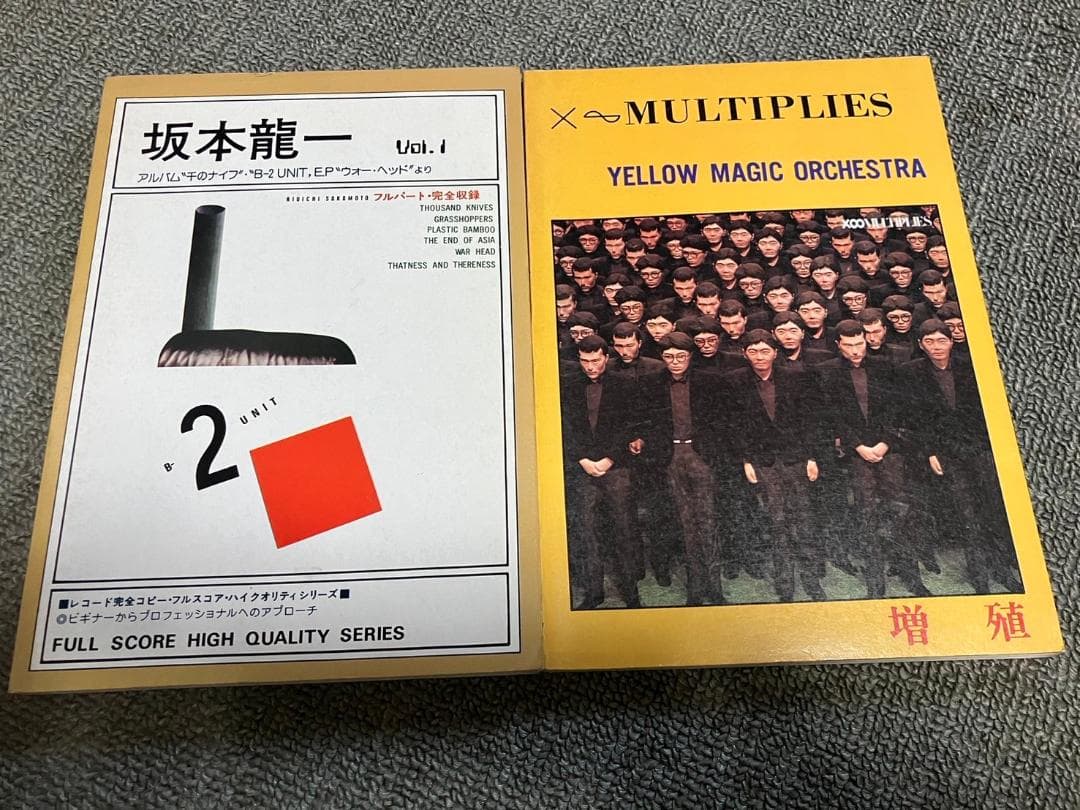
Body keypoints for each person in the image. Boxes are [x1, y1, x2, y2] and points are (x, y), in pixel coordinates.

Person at [898, 320, 1022, 593]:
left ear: (952, 341)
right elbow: (914, 418)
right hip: (946, 452)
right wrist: (930, 452)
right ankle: (980, 578)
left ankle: (1001, 570)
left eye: (941, 340)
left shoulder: (971, 366)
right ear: (920, 345)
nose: (936, 347)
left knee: (993, 510)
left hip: (979, 450)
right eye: (929, 342)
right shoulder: (911, 373)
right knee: (967, 515)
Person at [817, 320, 928, 598]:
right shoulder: (827, 372)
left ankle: (912, 576)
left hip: (888, 450)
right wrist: (858, 446)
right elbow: (832, 416)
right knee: (866, 515)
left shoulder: (886, 367)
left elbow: (898, 409)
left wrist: (885, 443)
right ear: (838, 345)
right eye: (849, 345)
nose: (855, 351)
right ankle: (875, 583)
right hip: (857, 454)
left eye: (860, 344)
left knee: (901, 511)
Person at [724, 330, 821, 601]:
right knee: (777, 522)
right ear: (744, 354)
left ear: (775, 353)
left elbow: (809, 421)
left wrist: (811, 457)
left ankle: (811, 580)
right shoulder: (734, 382)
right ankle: (785, 584)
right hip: (763, 462)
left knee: (803, 521)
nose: (759, 357)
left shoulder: (795, 378)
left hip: (795, 459)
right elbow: (734, 426)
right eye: (753, 351)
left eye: (765, 351)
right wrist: (746, 460)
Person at [560, 335, 645, 608]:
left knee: (624, 529)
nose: (590, 366)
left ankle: (631, 593)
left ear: (606, 358)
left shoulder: (624, 385)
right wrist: (582, 459)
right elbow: (564, 428)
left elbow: (629, 427)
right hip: (583, 469)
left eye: (595, 360)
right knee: (586, 532)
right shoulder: (567, 385)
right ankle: (593, 593)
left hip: (616, 468)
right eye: (584, 361)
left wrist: (609, 459)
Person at [653, 332, 726, 604]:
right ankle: (695, 589)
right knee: (686, 524)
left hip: (700, 456)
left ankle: (715, 589)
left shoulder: (709, 381)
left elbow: (722, 421)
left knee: (708, 521)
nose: (675, 362)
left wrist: (710, 454)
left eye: (681, 356)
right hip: (672, 457)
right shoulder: (652, 384)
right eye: (669, 357)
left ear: (690, 357)